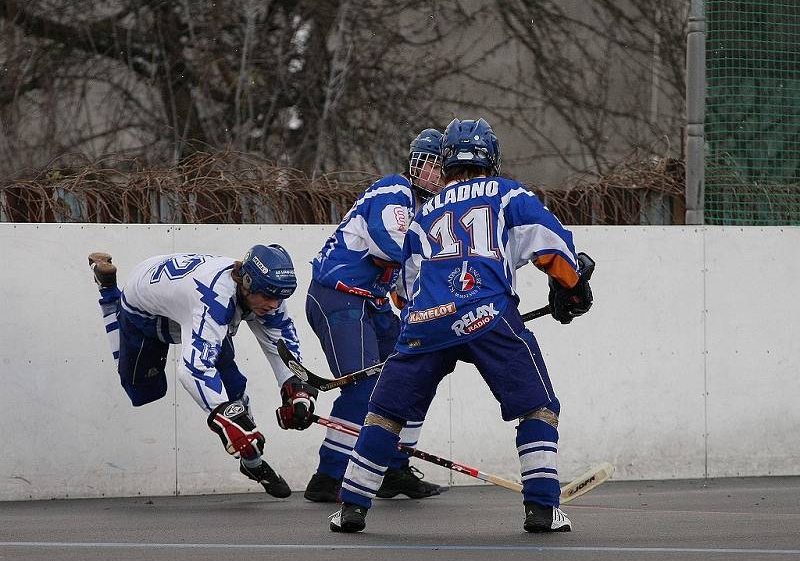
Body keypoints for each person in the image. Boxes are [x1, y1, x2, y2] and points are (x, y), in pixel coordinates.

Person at [329, 118, 594, 533]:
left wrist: (426, 323)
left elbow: (404, 290)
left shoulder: (423, 213)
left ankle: (351, 508)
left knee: (383, 415)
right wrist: (573, 288)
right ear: (492, 158)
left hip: (425, 324)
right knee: (537, 406)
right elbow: (551, 244)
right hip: (489, 315)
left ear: (447, 161)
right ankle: (543, 508)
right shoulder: (508, 193)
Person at [87, 244, 319, 498]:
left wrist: (297, 391)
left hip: (186, 296)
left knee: (233, 389)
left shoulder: (266, 293)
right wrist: (226, 421)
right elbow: (193, 370)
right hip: (146, 310)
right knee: (143, 391)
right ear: (248, 282)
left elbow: (282, 345)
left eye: (280, 297)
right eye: (267, 296)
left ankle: (252, 464)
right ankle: (108, 290)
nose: (274, 305)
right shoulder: (215, 303)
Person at [303, 129, 446, 502]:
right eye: (431, 165)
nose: (436, 175)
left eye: (442, 168)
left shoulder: (424, 213)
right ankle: (328, 476)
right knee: (363, 385)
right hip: (339, 297)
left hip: (372, 303)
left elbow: (404, 283)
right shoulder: (394, 191)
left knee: (405, 378)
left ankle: (391, 469)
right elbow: (389, 242)